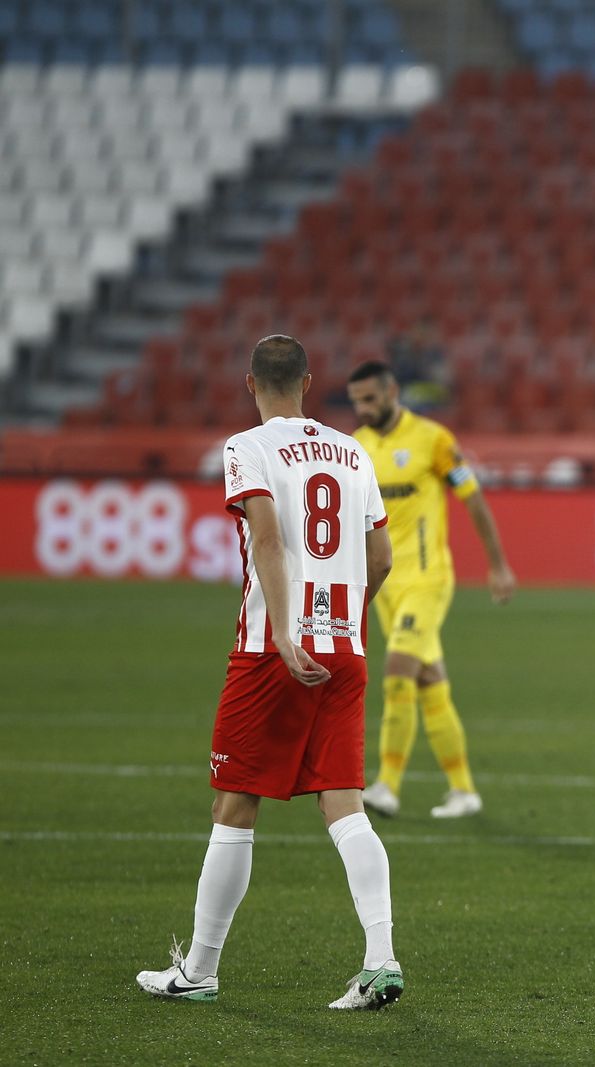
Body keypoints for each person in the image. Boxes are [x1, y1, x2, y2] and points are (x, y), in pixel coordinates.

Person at [136, 335, 402, 1009]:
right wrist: (345, 615)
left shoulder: (246, 447)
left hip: (271, 647)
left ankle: (199, 968)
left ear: (251, 385)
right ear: (309, 382)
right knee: (345, 802)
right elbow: (382, 559)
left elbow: (267, 536)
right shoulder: (353, 450)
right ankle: (381, 957)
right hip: (347, 645)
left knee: (235, 803)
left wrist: (286, 628)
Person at [348, 360, 516, 821]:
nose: (363, 408)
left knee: (398, 670)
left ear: (392, 391)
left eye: (370, 399)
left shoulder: (434, 440)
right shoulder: (356, 448)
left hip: (427, 579)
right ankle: (463, 790)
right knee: (429, 683)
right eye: (356, 401)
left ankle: (387, 785)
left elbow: (474, 499)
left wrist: (498, 566)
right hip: (382, 585)